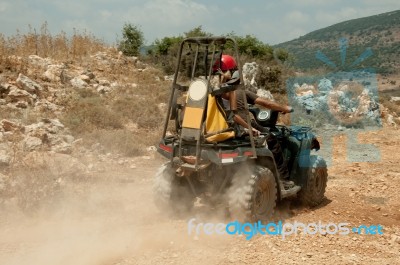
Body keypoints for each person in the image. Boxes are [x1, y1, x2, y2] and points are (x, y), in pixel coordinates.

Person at [213, 54, 294, 188]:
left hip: (221, 129)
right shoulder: (239, 92)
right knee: (273, 142)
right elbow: (265, 103)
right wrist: (284, 108)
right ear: (234, 73)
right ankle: (283, 180)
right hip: (242, 127)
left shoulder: (213, 93)